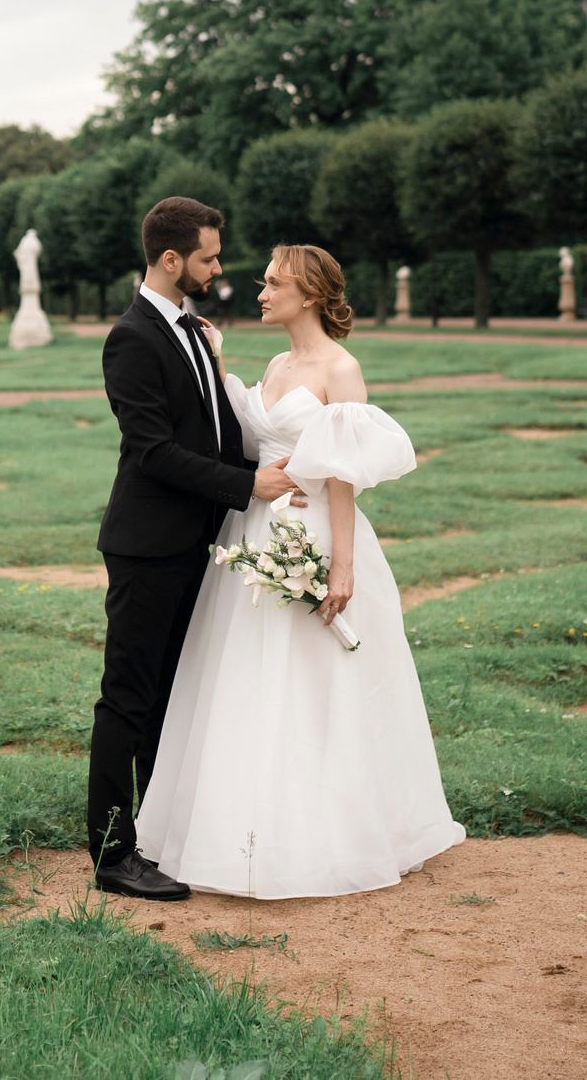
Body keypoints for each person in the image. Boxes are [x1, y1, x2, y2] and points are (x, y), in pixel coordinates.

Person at [137, 243, 465, 898]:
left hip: (316, 533)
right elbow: (248, 438)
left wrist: (340, 565)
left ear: (309, 293)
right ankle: (239, 830)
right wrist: (219, 360)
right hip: (253, 538)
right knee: (246, 681)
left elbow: (341, 477)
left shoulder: (341, 369)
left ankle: (335, 833)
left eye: (273, 283)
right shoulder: (277, 361)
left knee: (318, 686)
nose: (260, 292)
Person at [89, 198, 305, 901]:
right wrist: (250, 485)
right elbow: (153, 452)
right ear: (172, 259)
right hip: (148, 546)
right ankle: (112, 852)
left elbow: (210, 428)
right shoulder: (132, 338)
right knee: (127, 698)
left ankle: (155, 834)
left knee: (169, 698)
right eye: (210, 255)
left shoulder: (193, 331)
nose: (219, 266)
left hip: (198, 544)